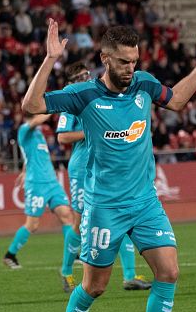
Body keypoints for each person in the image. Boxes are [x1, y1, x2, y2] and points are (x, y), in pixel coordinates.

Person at [22, 20, 196, 312]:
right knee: (94, 286)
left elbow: (176, 100)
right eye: (122, 62)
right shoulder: (84, 94)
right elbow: (31, 104)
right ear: (105, 59)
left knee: (169, 271)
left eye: (134, 61)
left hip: (145, 201)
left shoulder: (144, 84)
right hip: (105, 208)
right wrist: (51, 59)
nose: (130, 69)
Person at [56, 61, 151, 292]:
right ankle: (67, 272)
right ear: (70, 83)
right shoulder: (71, 104)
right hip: (81, 169)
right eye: (80, 76)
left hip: (103, 167)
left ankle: (130, 276)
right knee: (78, 224)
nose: (86, 78)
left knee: (123, 217)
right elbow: (62, 138)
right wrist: (91, 131)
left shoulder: (100, 98)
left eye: (86, 74)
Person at [2, 114, 75, 277]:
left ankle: (73, 253)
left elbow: (30, 158)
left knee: (66, 215)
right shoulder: (23, 130)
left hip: (52, 182)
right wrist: (52, 108)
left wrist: (23, 171)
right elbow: (35, 121)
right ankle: (10, 254)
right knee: (33, 225)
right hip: (37, 184)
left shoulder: (39, 133)